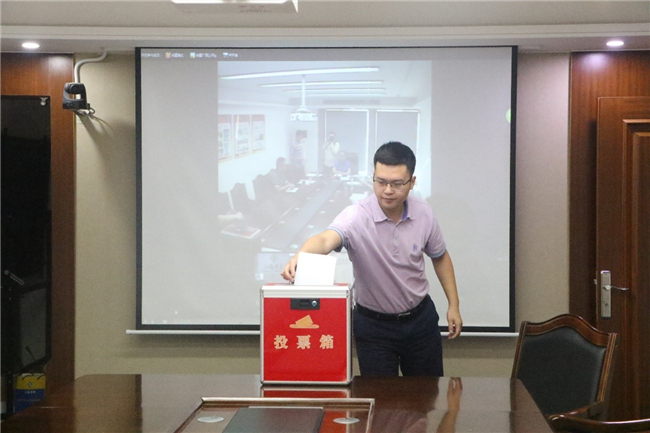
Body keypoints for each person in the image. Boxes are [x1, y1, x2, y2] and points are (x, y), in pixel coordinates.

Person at [281, 141, 462, 376]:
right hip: (374, 328)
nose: (387, 190)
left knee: (427, 393)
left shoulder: (424, 212)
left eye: (397, 183)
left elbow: (440, 257)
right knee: (379, 397)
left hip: (420, 321)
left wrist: (453, 305)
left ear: (412, 182)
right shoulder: (356, 216)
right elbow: (325, 240)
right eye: (380, 181)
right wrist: (301, 255)